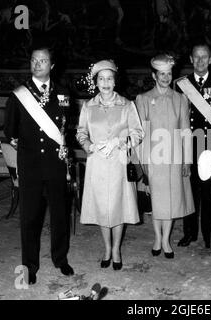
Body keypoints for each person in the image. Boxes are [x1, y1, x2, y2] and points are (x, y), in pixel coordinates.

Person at [4, 44, 74, 285]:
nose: (37, 64)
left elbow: (68, 128)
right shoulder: (18, 95)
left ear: (52, 65)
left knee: (60, 215)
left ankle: (60, 259)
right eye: (34, 60)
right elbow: (10, 131)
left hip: (56, 165)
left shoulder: (63, 94)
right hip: (31, 165)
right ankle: (29, 266)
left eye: (42, 61)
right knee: (30, 218)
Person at [76, 60, 144, 271]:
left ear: (115, 81)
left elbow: (138, 134)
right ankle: (107, 248)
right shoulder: (88, 106)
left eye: (109, 78)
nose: (105, 83)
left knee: (117, 207)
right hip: (97, 163)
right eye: (101, 79)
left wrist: (120, 141)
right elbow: (81, 132)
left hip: (118, 163)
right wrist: (89, 146)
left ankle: (116, 250)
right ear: (96, 82)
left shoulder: (127, 104)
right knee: (102, 210)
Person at [135, 53, 194, 259]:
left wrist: (187, 160)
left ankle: (166, 240)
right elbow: (139, 134)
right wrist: (140, 164)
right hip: (151, 157)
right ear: (154, 75)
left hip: (173, 158)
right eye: (162, 74)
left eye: (169, 74)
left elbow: (186, 130)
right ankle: (157, 238)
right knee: (156, 201)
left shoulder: (180, 99)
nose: (166, 78)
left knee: (169, 202)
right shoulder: (142, 99)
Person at [175, 43, 211, 249]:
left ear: (210, 59)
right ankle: (190, 233)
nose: (200, 61)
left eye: (204, 57)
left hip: (210, 147)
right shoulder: (180, 85)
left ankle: (208, 234)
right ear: (191, 59)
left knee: (208, 194)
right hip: (188, 146)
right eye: (196, 57)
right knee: (188, 192)